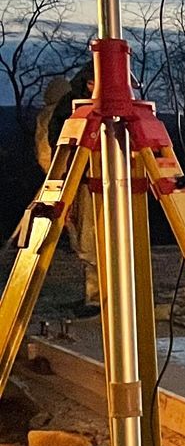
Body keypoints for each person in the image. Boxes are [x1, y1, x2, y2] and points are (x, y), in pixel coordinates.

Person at [35, 67, 99, 314]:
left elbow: (45, 153)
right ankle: (96, 295)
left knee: (87, 240)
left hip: (77, 180)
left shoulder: (57, 115)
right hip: (81, 178)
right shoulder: (69, 112)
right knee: (90, 238)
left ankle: (96, 297)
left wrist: (54, 177)